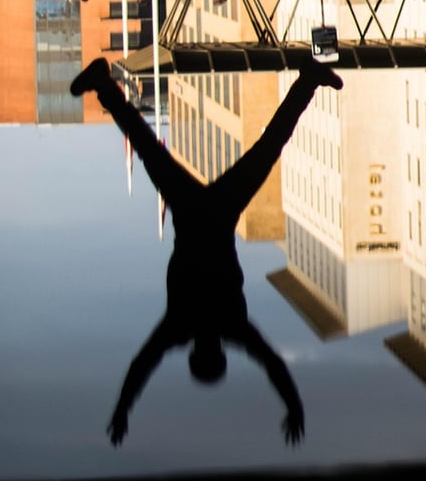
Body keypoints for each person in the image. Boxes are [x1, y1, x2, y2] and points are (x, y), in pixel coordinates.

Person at [70, 53, 343, 446]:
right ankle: (103, 86)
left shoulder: (227, 329)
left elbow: (272, 365)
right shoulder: (183, 328)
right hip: (196, 214)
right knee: (152, 148)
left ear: (217, 355)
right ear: (196, 356)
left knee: (267, 148)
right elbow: (141, 366)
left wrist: (295, 405)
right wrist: (121, 410)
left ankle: (309, 81)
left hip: (215, 215)